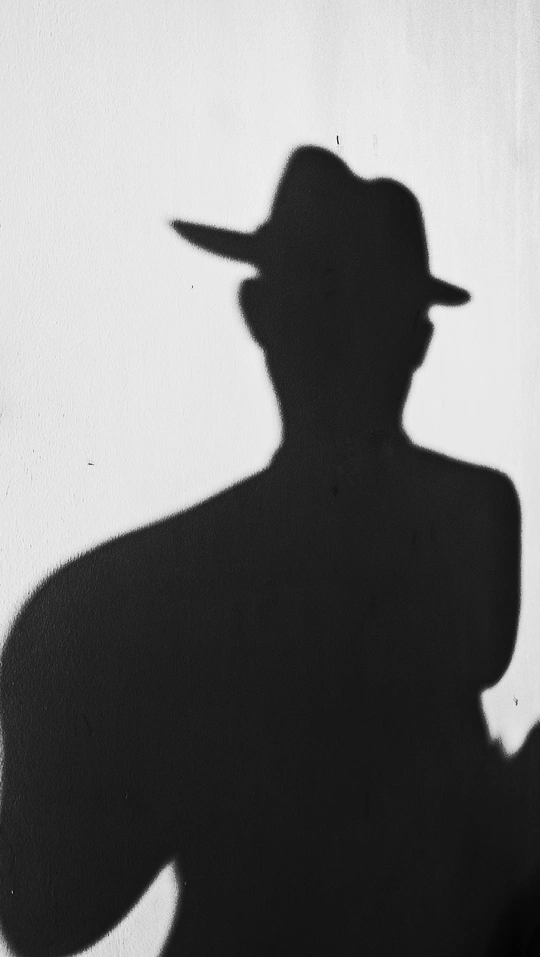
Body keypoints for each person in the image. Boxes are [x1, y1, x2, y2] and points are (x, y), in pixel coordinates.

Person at [0, 146, 527, 956]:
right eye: (328, 303)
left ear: (259, 314)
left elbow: (45, 913)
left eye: (355, 306)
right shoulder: (467, 519)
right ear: (418, 338)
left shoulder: (115, 600)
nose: (345, 337)